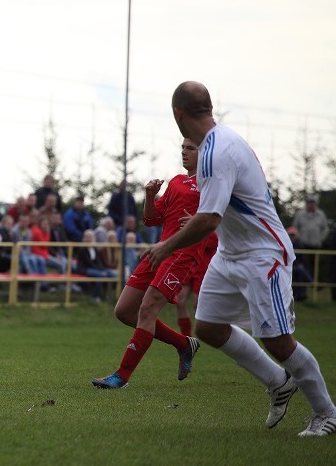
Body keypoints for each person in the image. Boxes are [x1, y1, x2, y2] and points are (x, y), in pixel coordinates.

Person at [141, 81, 336, 437]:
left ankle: (327, 412)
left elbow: (210, 219)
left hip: (263, 255)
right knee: (209, 328)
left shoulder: (216, 151)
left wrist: (165, 246)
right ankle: (279, 383)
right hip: (231, 252)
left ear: (178, 114)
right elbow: (215, 211)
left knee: (278, 340)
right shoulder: (217, 143)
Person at [92, 138, 205, 389]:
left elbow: (225, 216)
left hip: (181, 255)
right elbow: (151, 220)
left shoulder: (212, 182)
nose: (184, 152)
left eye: (191, 148)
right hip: (159, 252)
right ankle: (184, 344)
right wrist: (150, 195)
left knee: (147, 309)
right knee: (124, 311)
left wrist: (201, 219)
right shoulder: (176, 181)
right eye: (183, 148)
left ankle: (121, 376)